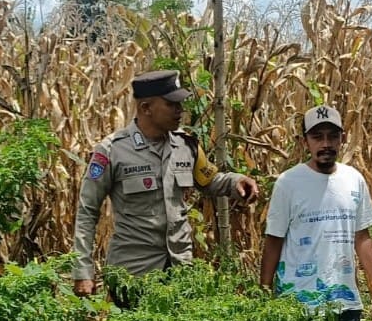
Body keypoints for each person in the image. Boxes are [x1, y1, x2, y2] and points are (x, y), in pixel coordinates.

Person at [73, 69, 259, 297]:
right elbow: (87, 211)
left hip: (180, 271)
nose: (180, 110)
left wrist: (237, 181)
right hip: (133, 274)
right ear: (146, 108)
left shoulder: (185, 145)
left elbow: (210, 180)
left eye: (180, 103)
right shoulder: (112, 151)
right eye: (171, 104)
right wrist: (83, 270)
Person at [259, 104, 372, 321]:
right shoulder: (288, 184)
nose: (326, 144)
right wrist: (264, 291)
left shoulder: (353, 180)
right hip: (297, 305)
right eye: (317, 137)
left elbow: (362, 237)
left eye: (332, 136)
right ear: (305, 141)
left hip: (343, 303)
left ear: (342, 138)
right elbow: (274, 240)